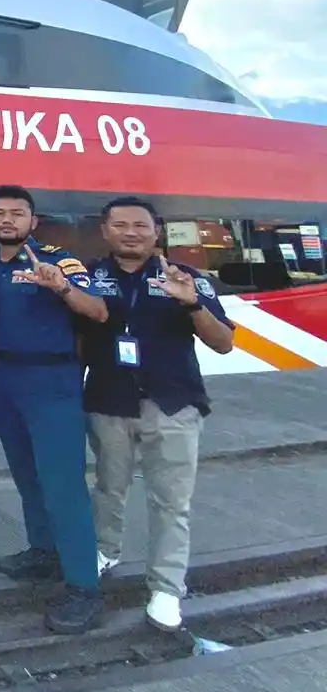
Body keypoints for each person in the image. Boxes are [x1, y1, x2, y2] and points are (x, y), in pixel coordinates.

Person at [82, 197, 235, 633]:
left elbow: (223, 343)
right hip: (108, 401)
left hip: (172, 404)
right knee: (108, 488)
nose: (131, 233)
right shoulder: (88, 276)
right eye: (120, 225)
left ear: (157, 231)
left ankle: (166, 588)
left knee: (171, 502)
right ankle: (105, 550)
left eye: (141, 225)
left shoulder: (186, 277)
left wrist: (191, 304)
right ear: (105, 231)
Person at [0, 185, 110, 635]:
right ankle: (44, 551)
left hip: (52, 382)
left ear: (33, 222)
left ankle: (85, 587)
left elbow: (98, 311)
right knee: (27, 476)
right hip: (3, 380)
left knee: (63, 486)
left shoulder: (60, 261)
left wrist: (63, 289)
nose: (7, 220)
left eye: (17, 213)